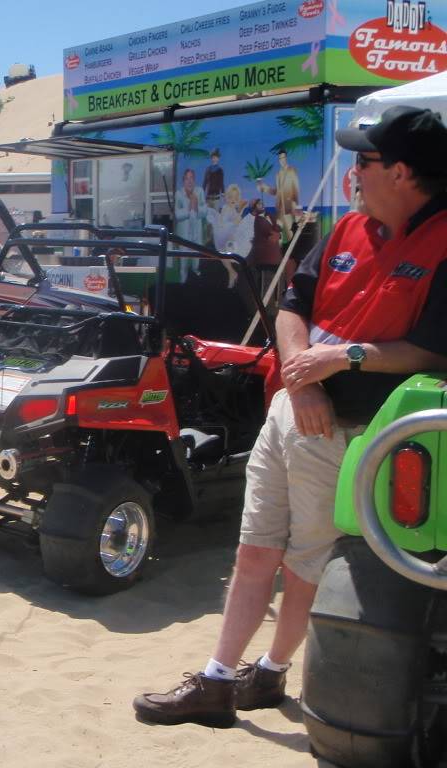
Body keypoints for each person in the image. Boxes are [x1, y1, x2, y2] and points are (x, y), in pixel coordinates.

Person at [133, 104, 447, 728]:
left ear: (405, 173)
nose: (353, 172)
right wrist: (302, 378)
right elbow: (290, 304)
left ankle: (270, 673)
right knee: (254, 550)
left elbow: (432, 352)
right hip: (290, 412)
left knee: (306, 564)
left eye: (365, 161)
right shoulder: (347, 229)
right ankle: (220, 680)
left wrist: (341, 360)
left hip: (349, 435)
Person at [257, 148, 301, 242]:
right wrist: (264, 188)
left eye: (283, 158)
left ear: (286, 158)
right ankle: (279, 253)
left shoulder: (292, 170)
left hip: (289, 207)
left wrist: (297, 208)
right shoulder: (278, 174)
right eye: (280, 159)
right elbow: (276, 191)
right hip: (279, 208)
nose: (282, 160)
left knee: (290, 234)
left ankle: (291, 254)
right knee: (276, 232)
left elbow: (296, 189)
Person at [174, 168, 207, 244]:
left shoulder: (200, 191)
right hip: (184, 237)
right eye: (186, 178)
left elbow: (205, 211)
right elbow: (177, 215)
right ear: (183, 181)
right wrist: (189, 208)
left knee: (197, 255)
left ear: (194, 179)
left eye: (191, 178)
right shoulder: (179, 193)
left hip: (197, 237)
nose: (189, 181)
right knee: (184, 255)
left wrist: (196, 208)